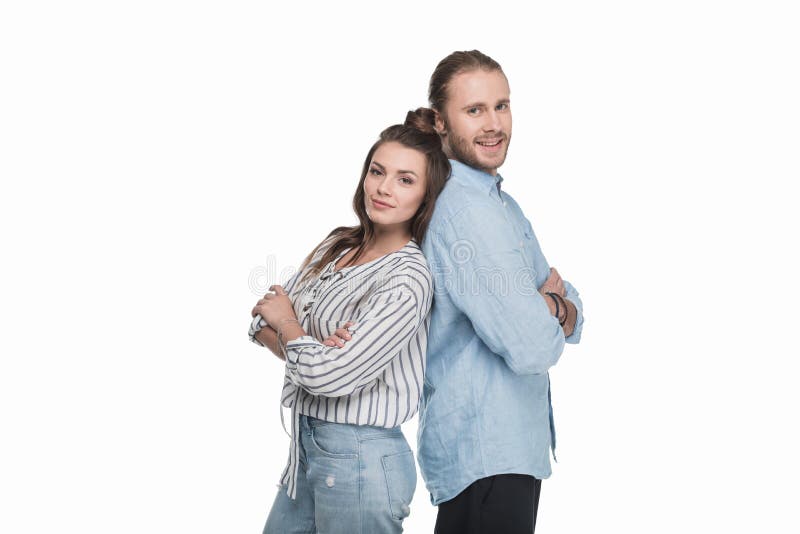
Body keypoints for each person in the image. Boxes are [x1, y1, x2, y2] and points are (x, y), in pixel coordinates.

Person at [248, 109, 449, 534]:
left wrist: (292, 327)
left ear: (426, 197)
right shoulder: (339, 243)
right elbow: (261, 318)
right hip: (305, 452)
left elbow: (329, 377)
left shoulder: (407, 277)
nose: (383, 188)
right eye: (377, 171)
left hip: (360, 458)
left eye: (405, 180)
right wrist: (308, 342)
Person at [416, 50, 586, 533]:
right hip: (486, 453)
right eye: (474, 111)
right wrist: (556, 305)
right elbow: (532, 344)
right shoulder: (468, 213)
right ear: (440, 122)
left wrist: (555, 306)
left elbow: (571, 305)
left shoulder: (499, 203)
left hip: (503, 452)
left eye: (502, 106)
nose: (494, 124)